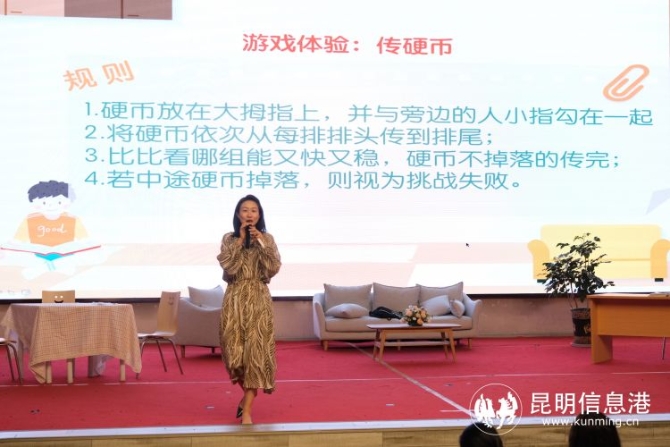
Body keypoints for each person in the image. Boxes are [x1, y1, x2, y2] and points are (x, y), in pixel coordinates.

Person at [216, 194, 281, 425]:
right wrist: (240, 239)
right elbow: (228, 266)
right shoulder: (229, 238)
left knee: (255, 355)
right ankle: (247, 397)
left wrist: (260, 241)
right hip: (234, 299)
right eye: (245, 210)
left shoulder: (267, 239)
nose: (249, 214)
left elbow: (273, 268)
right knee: (234, 356)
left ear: (259, 215)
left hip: (258, 300)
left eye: (254, 210)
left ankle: (248, 410)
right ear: (238, 214)